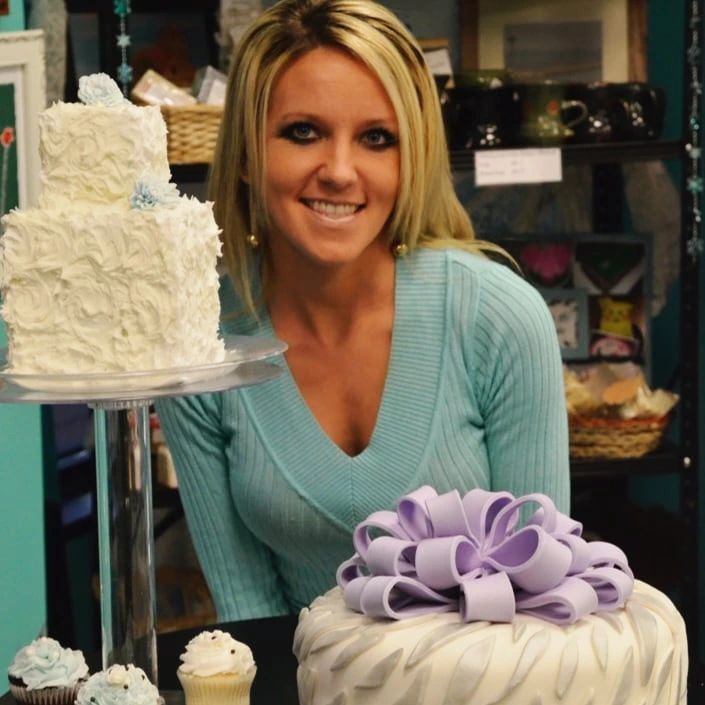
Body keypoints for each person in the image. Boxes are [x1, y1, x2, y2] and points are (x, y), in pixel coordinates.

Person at [156, 0, 570, 621]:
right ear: (244, 154)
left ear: (411, 159)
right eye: (303, 132)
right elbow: (246, 608)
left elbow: (536, 600)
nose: (340, 172)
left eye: (377, 139)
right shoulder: (197, 339)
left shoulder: (501, 320)